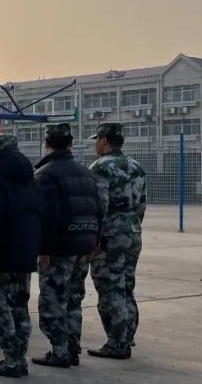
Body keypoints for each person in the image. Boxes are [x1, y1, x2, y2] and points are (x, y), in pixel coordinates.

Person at [33, 123, 101, 368]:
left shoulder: (45, 174)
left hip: (59, 246)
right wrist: (95, 239)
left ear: (46, 144)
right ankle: (72, 348)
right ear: (71, 144)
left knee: (52, 299)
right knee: (73, 297)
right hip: (84, 243)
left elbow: (45, 215)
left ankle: (59, 351)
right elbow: (99, 208)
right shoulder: (86, 172)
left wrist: (43, 249)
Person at [0, 134, 43, 378]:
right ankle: (20, 357)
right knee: (19, 305)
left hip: (3, 254)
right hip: (26, 252)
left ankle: (10, 360)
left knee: (0, 307)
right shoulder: (31, 179)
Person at [88, 123, 147, 360]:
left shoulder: (100, 167)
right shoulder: (136, 166)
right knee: (126, 285)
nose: (95, 144)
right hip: (132, 230)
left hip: (110, 233)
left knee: (109, 287)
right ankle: (127, 335)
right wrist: (132, 226)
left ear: (104, 140)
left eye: (97, 139)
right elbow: (142, 204)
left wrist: (95, 237)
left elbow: (99, 205)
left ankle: (117, 343)